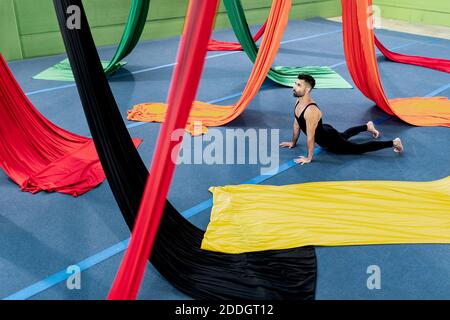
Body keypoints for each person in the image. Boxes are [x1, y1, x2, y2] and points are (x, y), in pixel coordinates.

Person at [280, 74, 403, 165]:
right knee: (343, 135)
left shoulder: (311, 111)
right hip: (325, 131)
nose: (294, 87)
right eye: (295, 83)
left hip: (330, 141)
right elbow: (297, 124)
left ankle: (394, 142)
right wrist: (293, 142)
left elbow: (310, 137)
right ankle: (367, 126)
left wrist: (309, 157)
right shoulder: (298, 101)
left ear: (307, 90)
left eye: (298, 85)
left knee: (359, 148)